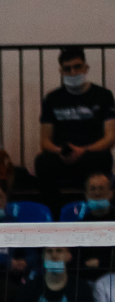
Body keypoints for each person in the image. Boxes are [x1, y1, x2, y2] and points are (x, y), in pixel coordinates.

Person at [35, 46, 115, 212]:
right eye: (67, 69)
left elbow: (110, 138)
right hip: (62, 155)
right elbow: (45, 141)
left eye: (77, 67)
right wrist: (59, 151)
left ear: (86, 67)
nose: (73, 72)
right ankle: (55, 213)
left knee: (102, 159)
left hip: (91, 154)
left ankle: (95, 213)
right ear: (61, 71)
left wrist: (83, 151)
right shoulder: (52, 99)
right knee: (42, 162)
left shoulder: (103, 96)